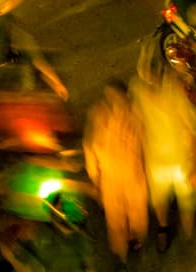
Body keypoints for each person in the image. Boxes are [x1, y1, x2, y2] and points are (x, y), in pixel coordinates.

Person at [129, 64, 196, 247]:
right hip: (155, 160)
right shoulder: (137, 90)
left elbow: (193, 129)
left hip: (181, 160)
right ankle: (163, 228)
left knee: (186, 199)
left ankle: (188, 235)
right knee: (159, 199)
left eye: (153, 73)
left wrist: (195, 166)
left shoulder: (175, 94)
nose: (149, 80)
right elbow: (136, 124)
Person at [84, 82, 148, 263]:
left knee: (137, 214)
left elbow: (144, 142)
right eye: (110, 98)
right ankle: (122, 255)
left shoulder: (135, 115)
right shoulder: (98, 116)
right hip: (111, 178)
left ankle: (136, 241)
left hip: (133, 174)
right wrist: (95, 178)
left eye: (117, 97)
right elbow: (90, 147)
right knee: (115, 220)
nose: (114, 102)